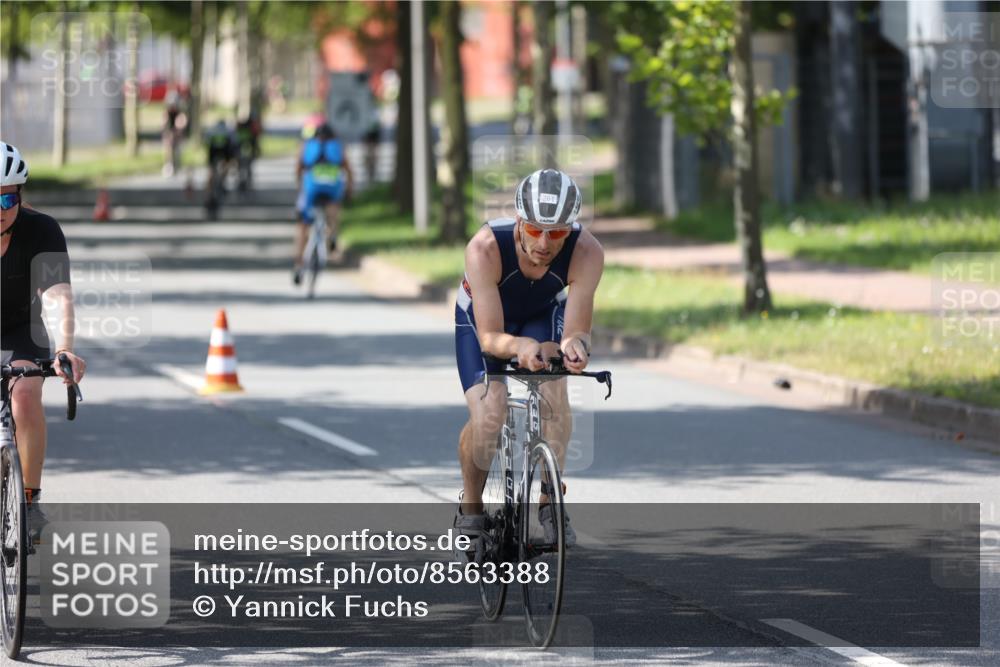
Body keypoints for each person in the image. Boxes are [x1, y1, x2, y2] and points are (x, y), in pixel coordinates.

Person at [453, 168, 603, 556]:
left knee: (555, 388)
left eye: (556, 233)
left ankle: (551, 502)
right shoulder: (485, 247)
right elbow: (489, 338)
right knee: (491, 410)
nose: (544, 242)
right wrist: (519, 346)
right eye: (535, 229)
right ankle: (471, 509)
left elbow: (577, 329)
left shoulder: (588, 252)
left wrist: (575, 348)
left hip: (541, 313)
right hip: (485, 321)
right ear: (519, 220)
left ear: (570, 229)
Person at [0, 141, 86, 543]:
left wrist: (65, 348)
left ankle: (29, 501)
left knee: (26, 395)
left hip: (21, 328)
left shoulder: (42, 230)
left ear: (20, 196)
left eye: (5, 199)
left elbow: (57, 295)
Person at [292, 122, 353, 285]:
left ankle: (298, 263)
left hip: (311, 189)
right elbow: (349, 171)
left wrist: (300, 187)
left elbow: (298, 169)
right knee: (333, 210)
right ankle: (333, 235)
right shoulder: (338, 148)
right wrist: (349, 191)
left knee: (302, 225)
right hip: (332, 188)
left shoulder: (306, 146)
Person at [204, 119, 234, 216]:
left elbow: (206, 141)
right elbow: (234, 141)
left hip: (213, 151)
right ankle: (222, 180)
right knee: (227, 165)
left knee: (211, 171)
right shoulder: (228, 130)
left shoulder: (212, 130)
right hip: (224, 151)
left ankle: (208, 194)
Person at [161, 90, 186, 177]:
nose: (172, 107)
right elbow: (164, 123)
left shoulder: (180, 113)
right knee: (168, 145)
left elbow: (181, 122)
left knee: (177, 146)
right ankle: (168, 164)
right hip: (169, 132)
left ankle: (177, 163)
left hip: (177, 131)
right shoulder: (167, 112)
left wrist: (178, 130)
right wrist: (166, 131)